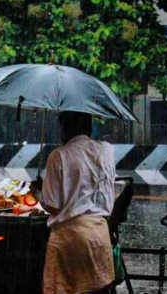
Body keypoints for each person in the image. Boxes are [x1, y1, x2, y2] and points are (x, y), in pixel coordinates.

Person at [33, 111, 116, 294]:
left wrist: (38, 191)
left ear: (69, 127)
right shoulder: (107, 151)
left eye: (62, 126)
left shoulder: (59, 155)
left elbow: (52, 204)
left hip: (70, 240)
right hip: (100, 236)